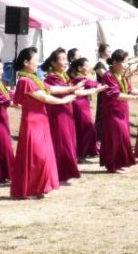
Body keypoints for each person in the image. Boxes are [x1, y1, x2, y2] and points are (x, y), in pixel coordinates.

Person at [11, 47, 77, 199]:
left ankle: (40, 188)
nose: (37, 63)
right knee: (37, 156)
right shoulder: (24, 81)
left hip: (41, 120)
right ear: (26, 63)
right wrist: (64, 100)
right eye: (35, 60)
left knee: (44, 155)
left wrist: (71, 88)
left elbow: (51, 88)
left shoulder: (34, 79)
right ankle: (33, 188)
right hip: (32, 122)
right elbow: (44, 98)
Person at [42, 48, 101, 184]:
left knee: (70, 141)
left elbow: (75, 92)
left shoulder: (64, 76)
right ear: (53, 63)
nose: (64, 62)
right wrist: (74, 89)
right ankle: (63, 174)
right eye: (61, 59)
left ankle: (67, 171)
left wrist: (94, 89)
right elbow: (60, 91)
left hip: (67, 111)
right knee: (63, 142)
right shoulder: (52, 77)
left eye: (65, 59)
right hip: (58, 113)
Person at [98, 49, 138, 173]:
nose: (126, 64)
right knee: (117, 137)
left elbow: (129, 89)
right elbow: (115, 94)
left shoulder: (121, 75)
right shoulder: (108, 76)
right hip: (112, 111)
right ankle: (114, 164)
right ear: (116, 62)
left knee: (123, 137)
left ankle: (120, 163)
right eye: (124, 62)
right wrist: (134, 98)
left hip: (123, 110)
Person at [68, 58, 101, 162]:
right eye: (86, 66)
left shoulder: (81, 77)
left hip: (83, 104)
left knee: (85, 129)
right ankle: (81, 154)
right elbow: (94, 84)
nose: (88, 67)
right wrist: (99, 86)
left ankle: (86, 152)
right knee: (86, 128)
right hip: (80, 105)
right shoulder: (79, 79)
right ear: (79, 68)